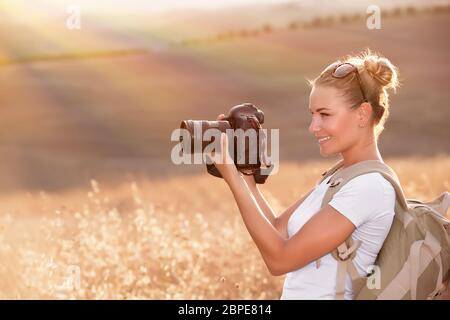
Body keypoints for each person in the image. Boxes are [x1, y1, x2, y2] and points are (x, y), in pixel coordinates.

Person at [210, 49, 399, 299]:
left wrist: (232, 178)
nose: (313, 127)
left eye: (325, 114)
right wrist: (244, 171)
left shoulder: (369, 187)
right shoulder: (340, 176)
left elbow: (279, 260)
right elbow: (278, 230)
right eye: (312, 114)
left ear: (363, 114)